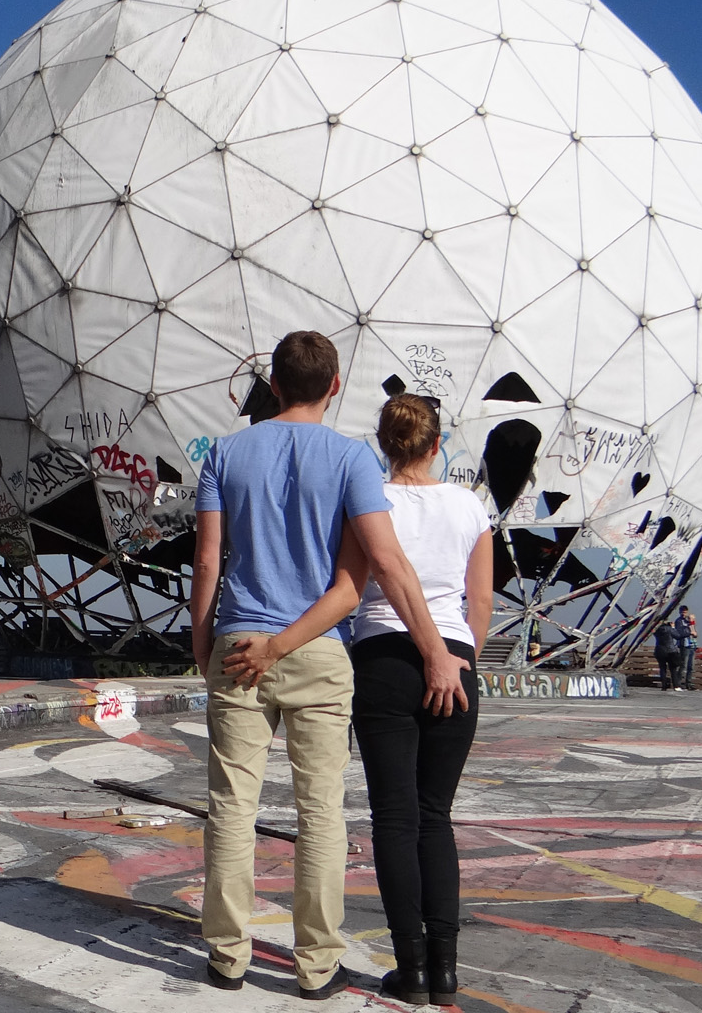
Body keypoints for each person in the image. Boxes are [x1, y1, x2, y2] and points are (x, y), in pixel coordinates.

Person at [191, 331, 454, 1001]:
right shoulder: (351, 459)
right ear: (334, 385)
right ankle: (315, 966)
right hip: (319, 650)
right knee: (321, 813)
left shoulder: (225, 452)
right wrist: (435, 650)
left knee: (231, 804)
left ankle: (226, 955)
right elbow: (385, 566)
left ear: (272, 384)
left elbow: (208, 562)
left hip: (241, 641)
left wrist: (203, 645)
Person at [339, 394, 491, 1007]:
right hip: (454, 659)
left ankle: (411, 968)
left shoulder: (369, 499)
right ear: (436, 446)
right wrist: (458, 664)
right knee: (436, 816)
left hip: (381, 661)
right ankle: (447, 968)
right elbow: (478, 603)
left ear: (383, 444)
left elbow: (351, 586)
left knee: (394, 820)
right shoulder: (468, 505)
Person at [674, 605, 699, 690]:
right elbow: (679, 633)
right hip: (684, 645)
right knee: (683, 665)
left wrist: (692, 623)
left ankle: (689, 683)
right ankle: (678, 683)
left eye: (685, 612)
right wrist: (690, 633)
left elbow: (695, 633)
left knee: (691, 666)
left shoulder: (689, 622)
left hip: (692, 644)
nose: (684, 614)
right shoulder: (679, 621)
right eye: (682, 612)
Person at [654, 619, 680, 691]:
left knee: (662, 668)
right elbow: (677, 636)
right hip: (670, 651)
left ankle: (664, 685)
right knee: (673, 669)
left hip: (660, 650)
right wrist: (673, 627)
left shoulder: (657, 630)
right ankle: (676, 685)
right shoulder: (669, 629)